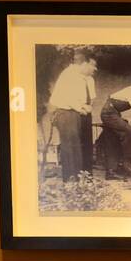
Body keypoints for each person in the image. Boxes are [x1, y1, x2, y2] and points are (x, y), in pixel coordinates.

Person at [45, 52, 95, 183]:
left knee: (80, 147)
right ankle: (71, 181)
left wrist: (84, 107)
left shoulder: (81, 77)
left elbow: (80, 98)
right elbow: (68, 97)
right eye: (92, 65)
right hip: (66, 113)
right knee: (70, 148)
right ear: (84, 63)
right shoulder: (69, 74)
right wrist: (81, 109)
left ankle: (81, 179)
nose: (94, 69)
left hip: (76, 113)